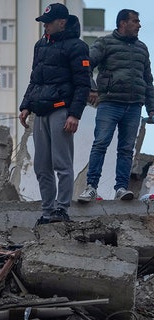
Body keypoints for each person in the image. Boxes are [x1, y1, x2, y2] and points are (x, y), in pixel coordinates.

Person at [19, 3, 91, 225]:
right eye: (43, 23)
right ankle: (48, 211)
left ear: (62, 22)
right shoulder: (40, 45)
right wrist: (25, 105)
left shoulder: (77, 46)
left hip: (61, 111)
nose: (45, 26)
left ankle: (62, 209)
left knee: (62, 163)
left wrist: (74, 114)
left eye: (48, 22)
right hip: (39, 112)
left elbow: (83, 84)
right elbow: (35, 79)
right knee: (41, 166)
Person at [78, 9, 154, 203]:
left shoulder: (142, 48)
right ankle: (91, 187)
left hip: (134, 106)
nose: (139, 25)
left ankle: (121, 188)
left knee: (126, 149)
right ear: (123, 23)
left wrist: (151, 107)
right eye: (135, 21)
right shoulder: (104, 43)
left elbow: (148, 80)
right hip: (110, 103)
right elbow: (85, 64)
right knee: (100, 143)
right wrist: (92, 88)